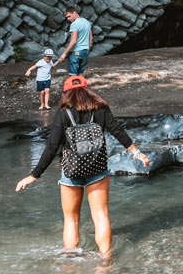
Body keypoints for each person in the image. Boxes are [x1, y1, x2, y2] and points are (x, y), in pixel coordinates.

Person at [15, 75, 150, 257]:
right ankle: (105, 261)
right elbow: (118, 131)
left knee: (71, 220)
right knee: (101, 215)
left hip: (71, 171)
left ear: (66, 93)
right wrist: (137, 153)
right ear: (87, 90)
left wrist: (34, 175)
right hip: (97, 169)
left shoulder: (63, 114)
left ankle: (71, 262)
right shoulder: (101, 109)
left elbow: (52, 147)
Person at [58, 9, 92, 74]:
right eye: (67, 17)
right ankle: (82, 84)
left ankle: (74, 84)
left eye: (69, 16)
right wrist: (87, 50)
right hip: (85, 52)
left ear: (74, 13)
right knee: (80, 74)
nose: (68, 19)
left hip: (76, 53)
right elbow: (90, 38)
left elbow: (73, 41)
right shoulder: (87, 22)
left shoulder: (74, 24)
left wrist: (64, 53)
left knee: (73, 75)